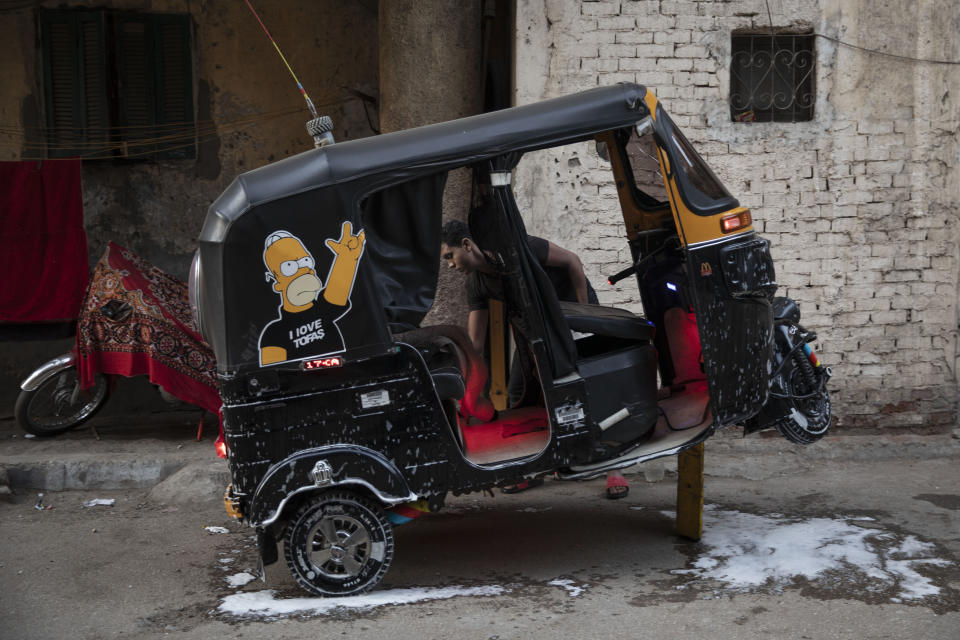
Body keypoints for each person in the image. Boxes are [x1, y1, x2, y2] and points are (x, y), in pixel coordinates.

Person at [439, 219, 630, 499]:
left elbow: (573, 262)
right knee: (520, 390)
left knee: (590, 386)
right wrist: (455, 372)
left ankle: (615, 468)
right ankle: (536, 469)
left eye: (449, 256)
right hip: (538, 331)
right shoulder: (476, 284)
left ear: (466, 245)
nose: (449, 265)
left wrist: (586, 316)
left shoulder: (520, 248)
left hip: (573, 314)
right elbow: (476, 344)